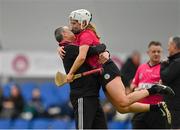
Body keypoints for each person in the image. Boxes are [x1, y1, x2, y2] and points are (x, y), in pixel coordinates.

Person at [55, 26, 174, 125]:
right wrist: (60, 46)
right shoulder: (72, 46)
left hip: (106, 69)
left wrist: (104, 51)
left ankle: (154, 89)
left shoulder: (84, 35)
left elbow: (97, 49)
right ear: (65, 34)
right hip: (99, 77)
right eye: (70, 27)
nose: (72, 27)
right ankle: (157, 107)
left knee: (123, 101)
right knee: (122, 109)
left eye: (74, 23)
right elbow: (91, 51)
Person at [56, 26, 108, 129]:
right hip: (83, 97)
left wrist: (106, 52)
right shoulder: (69, 49)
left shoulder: (73, 46)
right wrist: (103, 46)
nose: (73, 30)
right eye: (70, 30)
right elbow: (95, 50)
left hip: (92, 95)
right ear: (65, 34)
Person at [130, 41, 171, 129]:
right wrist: (135, 90)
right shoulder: (141, 67)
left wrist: (162, 86)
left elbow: (169, 88)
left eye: (158, 51)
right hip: (140, 109)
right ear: (148, 53)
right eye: (153, 51)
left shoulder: (165, 68)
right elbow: (133, 84)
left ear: (161, 53)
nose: (156, 54)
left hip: (157, 111)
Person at [160, 36, 180, 129]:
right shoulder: (174, 62)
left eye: (169, 45)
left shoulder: (177, 62)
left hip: (175, 107)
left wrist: (163, 64)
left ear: (174, 46)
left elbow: (165, 76)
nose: (167, 48)